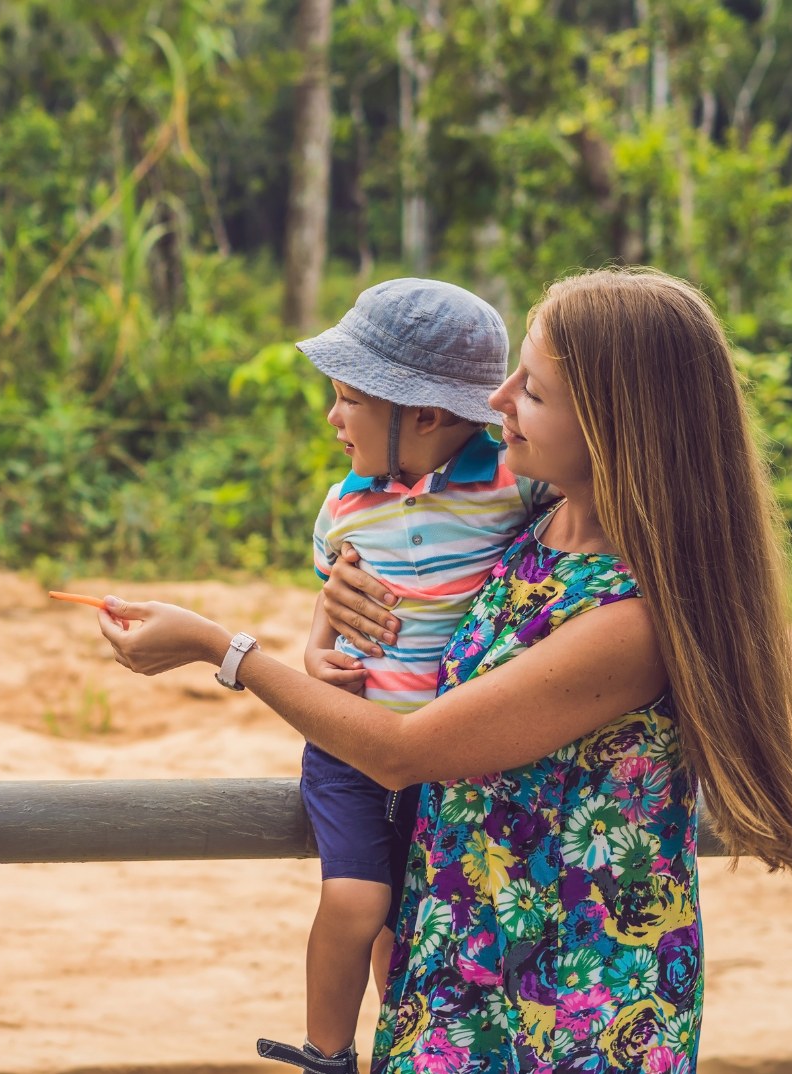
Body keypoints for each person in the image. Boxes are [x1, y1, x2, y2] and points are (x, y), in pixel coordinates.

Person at [92, 267, 792, 1073]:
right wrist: (332, 612)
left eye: (531, 391)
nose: (496, 401)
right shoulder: (531, 529)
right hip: (458, 959)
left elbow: (408, 753)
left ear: (617, 425)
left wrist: (222, 650)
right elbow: (414, 587)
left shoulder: (631, 619)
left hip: (571, 1007)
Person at [268, 279, 552, 1074]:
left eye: (348, 399)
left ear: (423, 414)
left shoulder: (516, 485)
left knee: (422, 922)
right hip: (357, 744)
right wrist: (313, 646)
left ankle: (410, 1045)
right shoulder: (344, 506)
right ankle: (326, 1053)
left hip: (454, 752)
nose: (332, 418)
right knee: (360, 899)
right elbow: (336, 591)